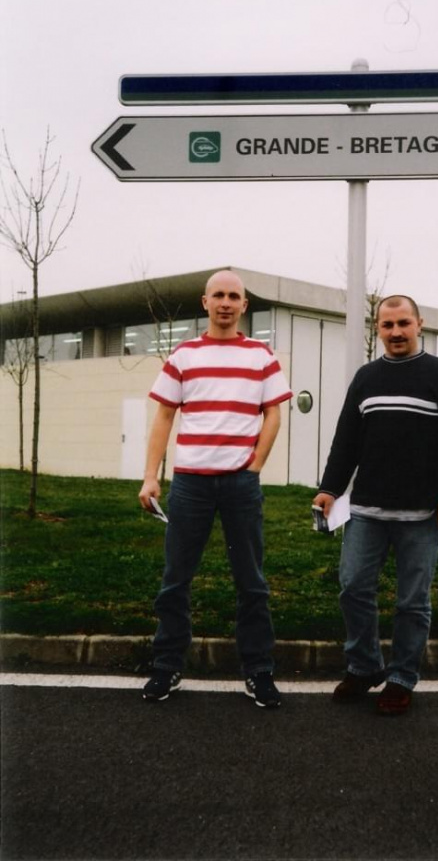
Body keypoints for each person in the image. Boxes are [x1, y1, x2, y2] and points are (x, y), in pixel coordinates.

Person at [313, 295, 438, 716]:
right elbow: (346, 440)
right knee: (353, 588)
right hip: (366, 508)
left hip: (422, 513)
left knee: (412, 601)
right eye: (387, 326)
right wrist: (330, 488)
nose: (396, 332)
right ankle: (364, 666)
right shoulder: (366, 378)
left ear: (419, 323)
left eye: (404, 323)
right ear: (377, 330)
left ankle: (402, 676)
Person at [139, 270, 292, 707]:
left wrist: (254, 465)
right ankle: (167, 668)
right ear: (205, 302)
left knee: (252, 582)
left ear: (244, 306)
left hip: (240, 485)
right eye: (218, 295)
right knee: (175, 581)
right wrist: (152, 475)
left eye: (234, 296)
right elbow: (164, 418)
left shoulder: (261, 356)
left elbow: (274, 415)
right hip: (190, 484)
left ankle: (259, 671)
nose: (226, 302)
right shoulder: (183, 356)